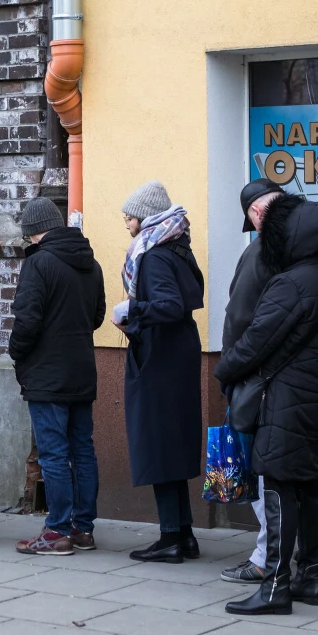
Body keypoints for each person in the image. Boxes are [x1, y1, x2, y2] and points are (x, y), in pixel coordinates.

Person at [217, 194, 318, 615]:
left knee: (276, 487)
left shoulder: (291, 283)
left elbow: (257, 340)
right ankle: (310, 578)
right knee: (307, 487)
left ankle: (275, 587)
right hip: (314, 395)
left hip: (284, 398)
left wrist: (225, 370)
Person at [113, 181, 205, 563]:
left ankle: (171, 536)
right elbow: (192, 296)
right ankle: (183, 534)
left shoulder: (154, 254)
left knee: (159, 445)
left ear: (145, 216)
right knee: (170, 445)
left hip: (161, 359)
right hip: (177, 355)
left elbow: (167, 305)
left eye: (129, 216)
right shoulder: (177, 247)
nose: (126, 223)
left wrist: (130, 312)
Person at [9, 197, 105, 555]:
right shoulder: (90, 262)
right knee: (82, 450)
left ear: (34, 233)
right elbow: (97, 317)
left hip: (47, 374)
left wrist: (16, 352)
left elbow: (27, 320)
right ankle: (83, 528)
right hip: (82, 369)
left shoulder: (40, 263)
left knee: (53, 454)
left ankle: (57, 531)